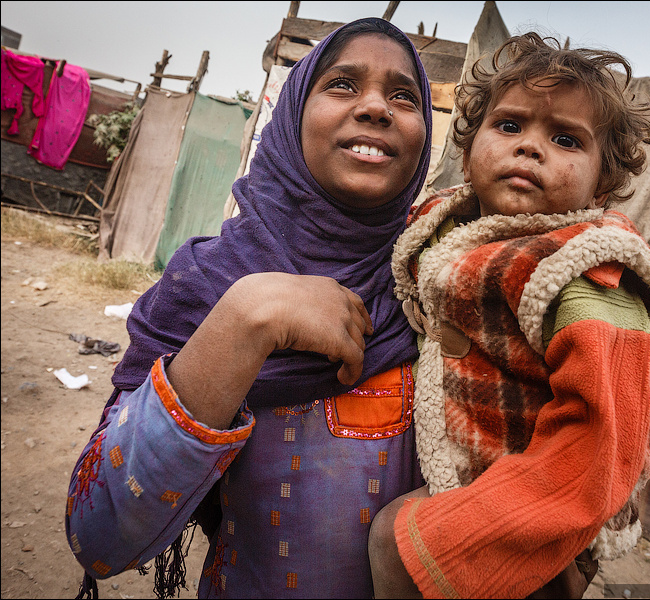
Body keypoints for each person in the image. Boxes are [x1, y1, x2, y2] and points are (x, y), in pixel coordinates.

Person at [65, 17, 434, 598]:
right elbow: (100, 535)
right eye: (342, 84)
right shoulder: (208, 284)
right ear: (290, 117)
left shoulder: (444, 287)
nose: (375, 107)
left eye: (403, 95)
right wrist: (246, 319)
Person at [368, 32, 650, 598]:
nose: (529, 147)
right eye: (509, 126)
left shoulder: (590, 270)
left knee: (395, 545)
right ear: (466, 152)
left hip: (539, 519)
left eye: (565, 138)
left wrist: (462, 537)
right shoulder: (446, 226)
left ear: (603, 182)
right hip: (464, 468)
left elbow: (601, 445)